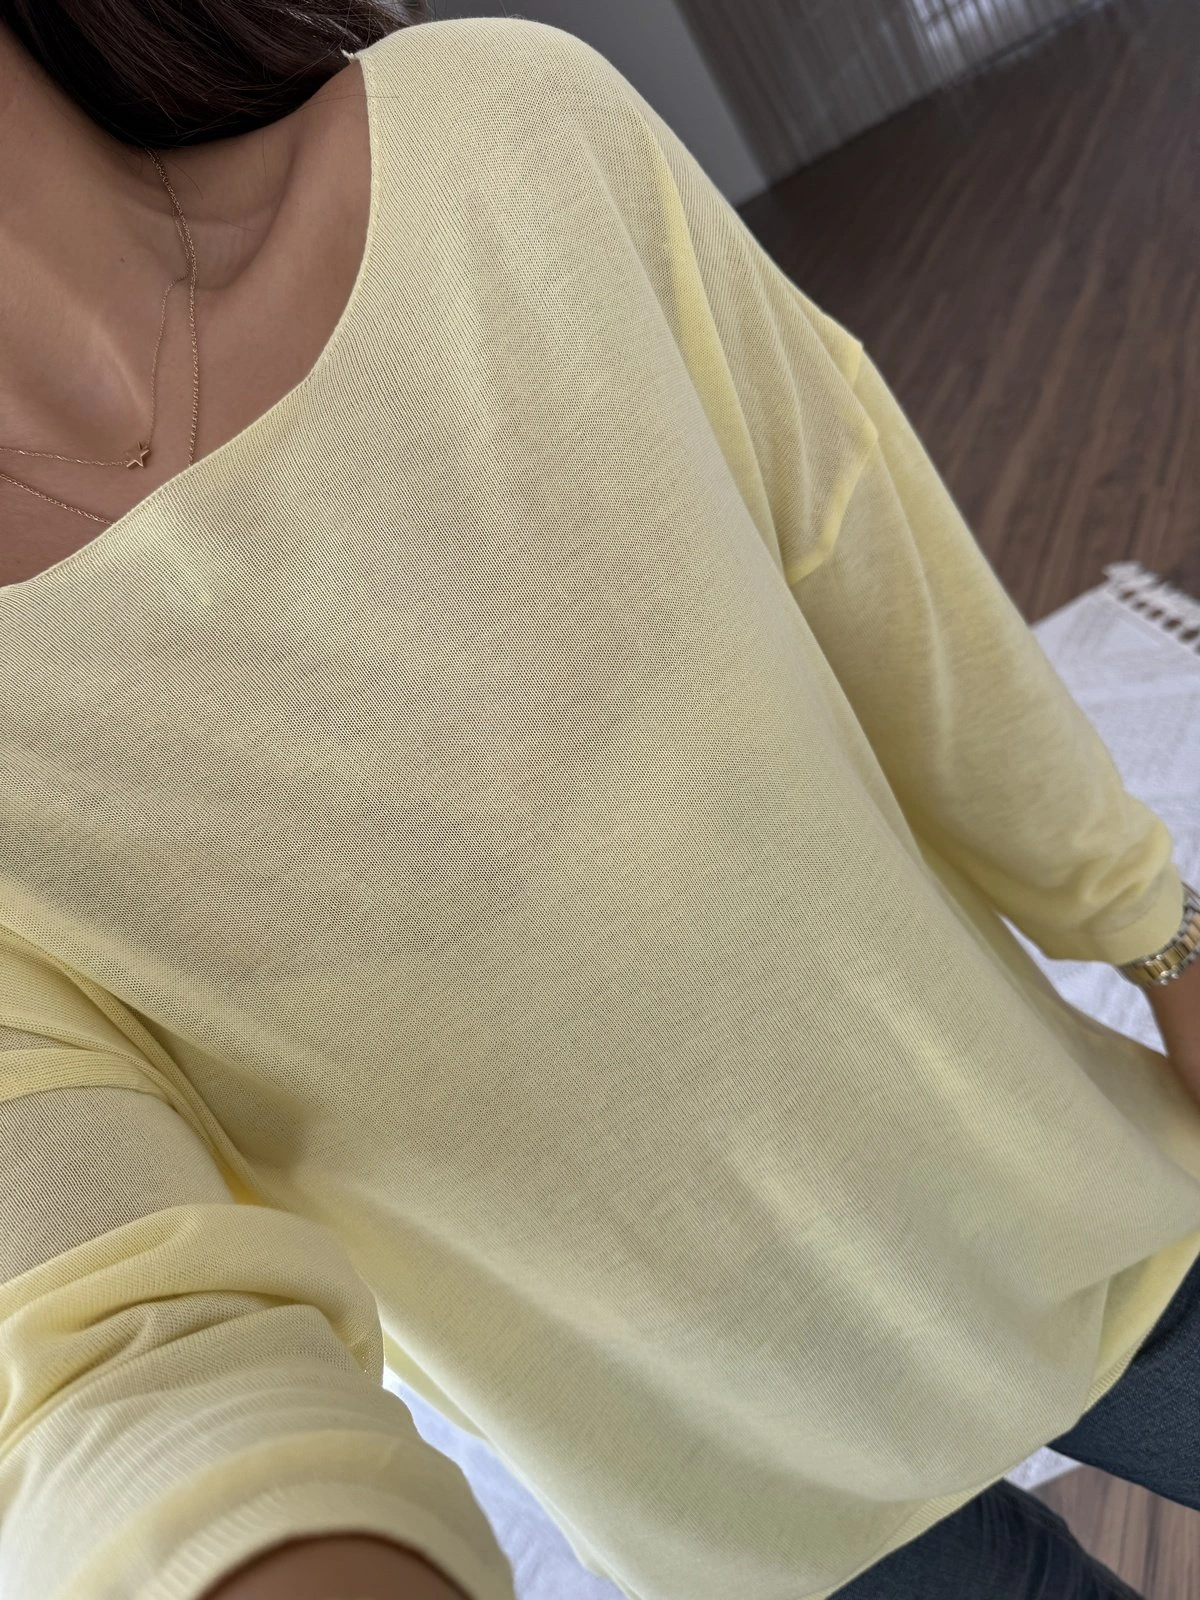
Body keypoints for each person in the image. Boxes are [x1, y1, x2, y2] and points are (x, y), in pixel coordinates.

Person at [0, 6, 1198, 1599]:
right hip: (735, 1487)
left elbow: (884, 586)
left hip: (1051, 1191)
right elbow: (101, 1342)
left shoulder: (506, 137)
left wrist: (1160, 934)